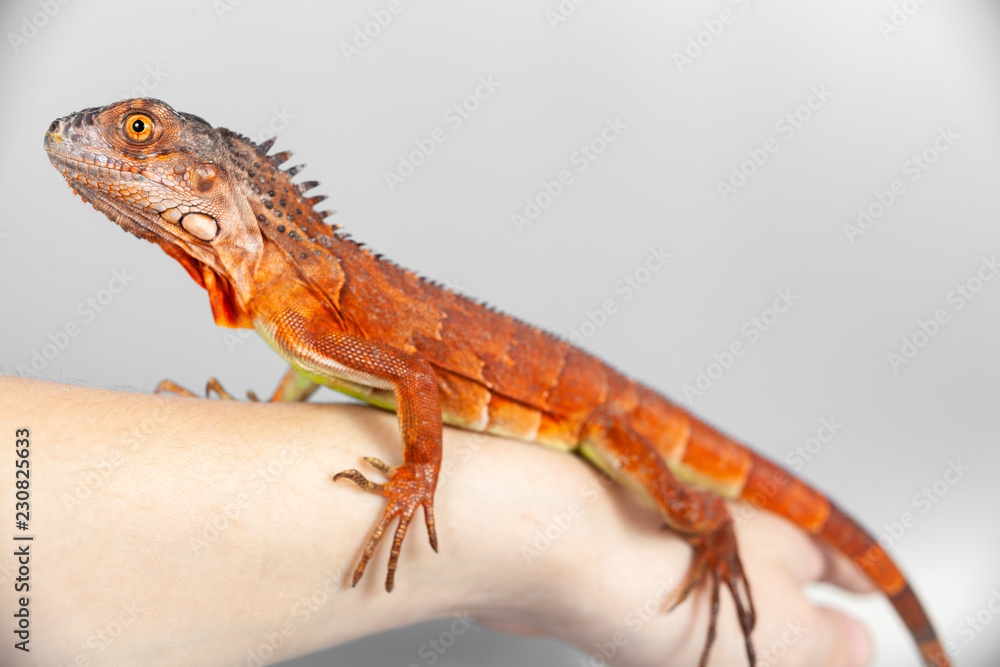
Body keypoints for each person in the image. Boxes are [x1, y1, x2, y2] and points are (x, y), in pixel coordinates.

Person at [0, 375, 871, 666]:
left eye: (140, 134)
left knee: (660, 482)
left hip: (587, 409)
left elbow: (412, 378)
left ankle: (711, 524)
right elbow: (326, 368)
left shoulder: (312, 291)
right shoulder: (292, 304)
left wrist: (420, 475)